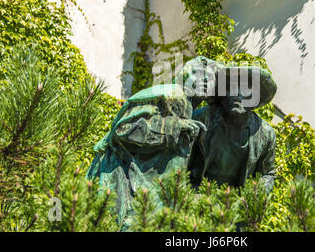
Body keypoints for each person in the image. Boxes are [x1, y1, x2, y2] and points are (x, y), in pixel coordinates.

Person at [87, 56, 217, 230]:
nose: (206, 83)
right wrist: (176, 126)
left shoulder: (189, 107)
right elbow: (124, 129)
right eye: (201, 77)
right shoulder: (172, 94)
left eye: (211, 81)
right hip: (122, 177)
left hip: (147, 191)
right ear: (186, 75)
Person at [189, 64, 278, 193]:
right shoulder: (201, 119)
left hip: (237, 203)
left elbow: (268, 174)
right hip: (197, 196)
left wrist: (255, 195)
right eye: (232, 88)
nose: (238, 95)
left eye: (246, 90)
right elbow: (179, 160)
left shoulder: (266, 134)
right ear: (223, 94)